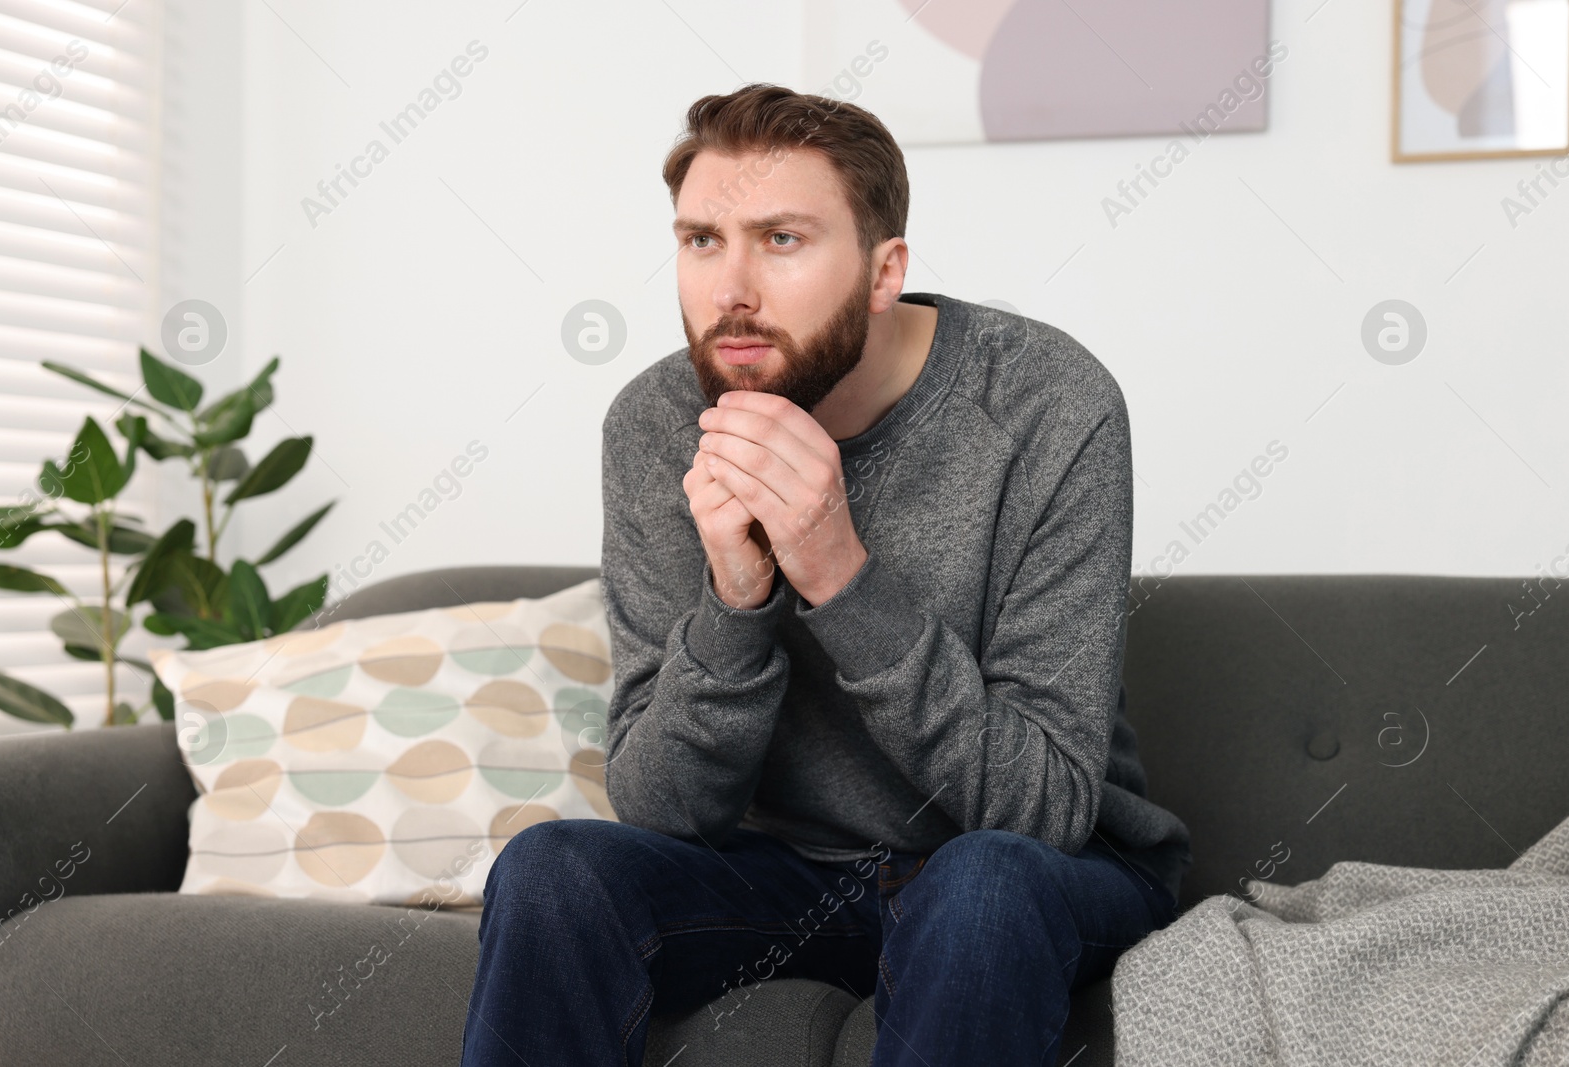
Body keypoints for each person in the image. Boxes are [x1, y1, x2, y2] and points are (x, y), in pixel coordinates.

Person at [460, 82, 1191, 1066]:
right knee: (550, 866)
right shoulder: (657, 423)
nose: (731, 290)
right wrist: (736, 600)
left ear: (883, 270)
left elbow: (1045, 807)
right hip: (788, 877)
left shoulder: (1044, 404)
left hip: (1035, 873)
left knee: (979, 882)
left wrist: (840, 574)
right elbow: (663, 810)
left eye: (784, 240)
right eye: (701, 240)